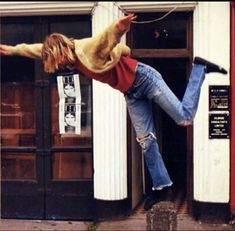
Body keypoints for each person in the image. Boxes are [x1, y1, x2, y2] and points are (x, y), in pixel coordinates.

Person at [0, 14, 227, 210]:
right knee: (146, 141)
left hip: (146, 79)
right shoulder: (54, 51)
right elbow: (33, 49)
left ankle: (199, 68)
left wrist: (120, 27)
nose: (58, 67)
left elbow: (106, 37)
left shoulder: (86, 48)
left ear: (61, 51)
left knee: (184, 118)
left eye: (57, 62)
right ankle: (161, 186)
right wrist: (12, 50)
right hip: (131, 93)